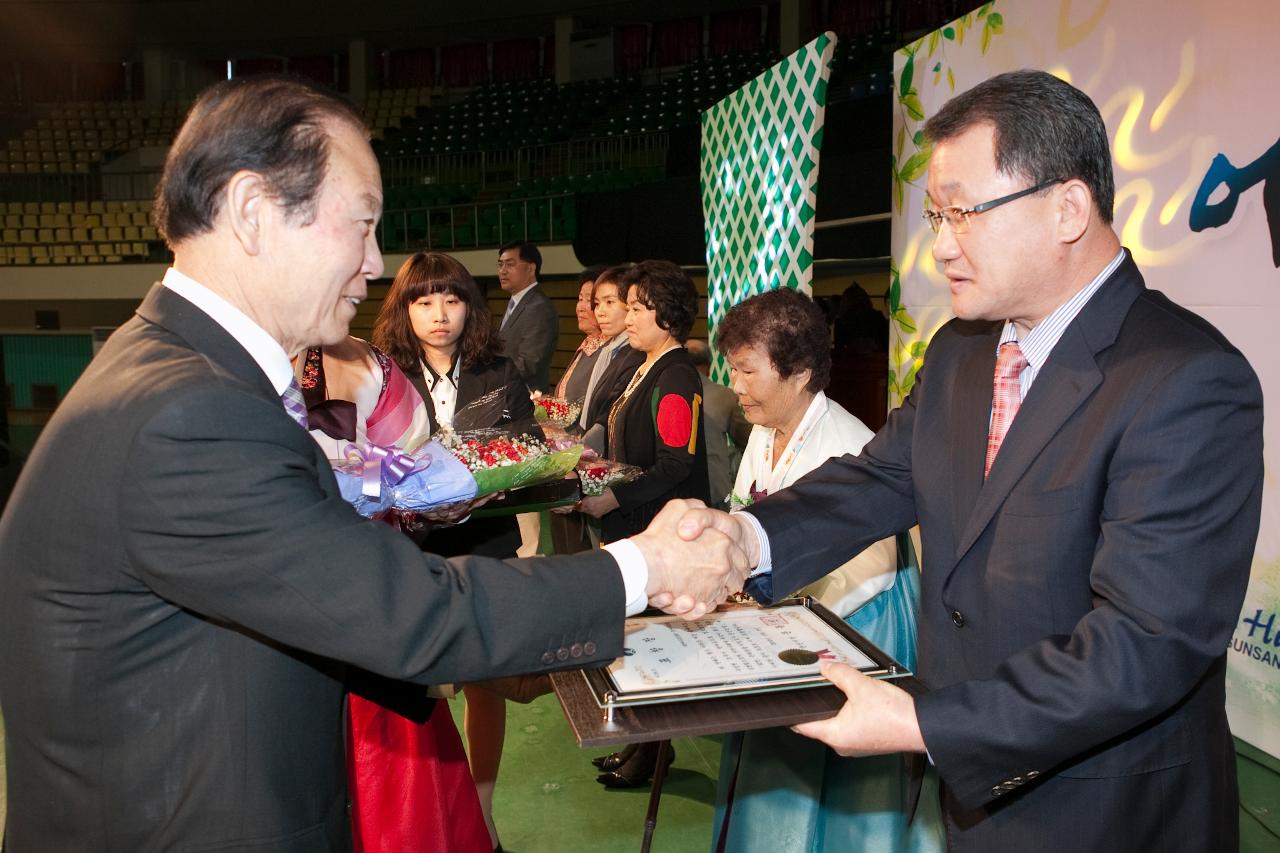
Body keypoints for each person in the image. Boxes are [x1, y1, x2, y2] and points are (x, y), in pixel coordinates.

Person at [0, 76, 747, 851]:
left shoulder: (178, 372)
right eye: (360, 226)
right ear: (255, 212)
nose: (373, 262)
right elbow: (409, 613)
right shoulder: (190, 412)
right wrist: (642, 569)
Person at [670, 69, 1264, 851]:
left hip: (1106, 808)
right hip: (975, 800)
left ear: (1068, 208)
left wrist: (923, 719)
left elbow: (1145, 642)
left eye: (964, 214)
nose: (940, 245)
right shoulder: (961, 350)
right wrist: (745, 539)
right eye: (935, 215)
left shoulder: (1185, 378)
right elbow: (881, 476)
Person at [708, 288, 942, 852]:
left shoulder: (848, 446)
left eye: (746, 370)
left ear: (800, 371)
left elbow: (865, 574)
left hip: (854, 630)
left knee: (833, 792)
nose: (734, 386)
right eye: (732, 369)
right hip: (783, 622)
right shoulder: (762, 431)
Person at [372, 250, 540, 850]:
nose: (439, 314)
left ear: (470, 306)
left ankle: (482, 808)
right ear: (405, 310)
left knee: (483, 683)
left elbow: (527, 450)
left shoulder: (500, 369)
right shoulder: (382, 374)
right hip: (408, 549)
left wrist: (493, 471)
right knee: (418, 682)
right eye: (424, 301)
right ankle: (426, 812)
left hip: (484, 543)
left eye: (451, 299)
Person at [297, 335, 490, 853]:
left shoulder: (366, 360)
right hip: (281, 609)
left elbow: (415, 456)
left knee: (397, 780)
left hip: (367, 594)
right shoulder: (226, 359)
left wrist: (426, 491)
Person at [576, 259, 710, 789]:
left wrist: (615, 496)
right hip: (637, 520)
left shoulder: (675, 374)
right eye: (626, 307)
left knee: (654, 645)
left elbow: (676, 462)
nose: (627, 318)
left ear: (668, 315)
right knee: (636, 640)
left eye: (636, 308)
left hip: (660, 528)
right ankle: (642, 747)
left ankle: (652, 753)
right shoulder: (645, 364)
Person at [576, 263, 645, 452]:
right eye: (597, 303)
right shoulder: (610, 349)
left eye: (609, 302)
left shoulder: (635, 354)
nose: (600, 311)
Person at [684, 338, 750, 509]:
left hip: (675, 492)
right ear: (708, 366)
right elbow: (746, 440)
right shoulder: (725, 396)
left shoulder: (662, 391)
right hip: (715, 489)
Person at [496, 240, 558, 394]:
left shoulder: (539, 307)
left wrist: (489, 375)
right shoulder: (516, 302)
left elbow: (529, 362)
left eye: (509, 264)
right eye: (500, 264)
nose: (502, 271)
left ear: (530, 268)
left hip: (525, 399)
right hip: (507, 394)